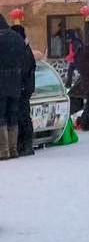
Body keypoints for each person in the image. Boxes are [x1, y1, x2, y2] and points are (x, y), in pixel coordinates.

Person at [0, 14, 27, 159]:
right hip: (15, 83)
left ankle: (3, 150)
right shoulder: (17, 38)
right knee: (12, 115)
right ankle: (13, 149)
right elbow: (24, 59)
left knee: (1, 116)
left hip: (1, 83)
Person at [11, 25, 36, 156]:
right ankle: (22, 144)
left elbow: (24, 70)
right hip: (24, 87)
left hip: (23, 88)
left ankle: (27, 145)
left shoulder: (23, 50)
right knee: (21, 116)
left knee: (23, 116)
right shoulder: (24, 48)